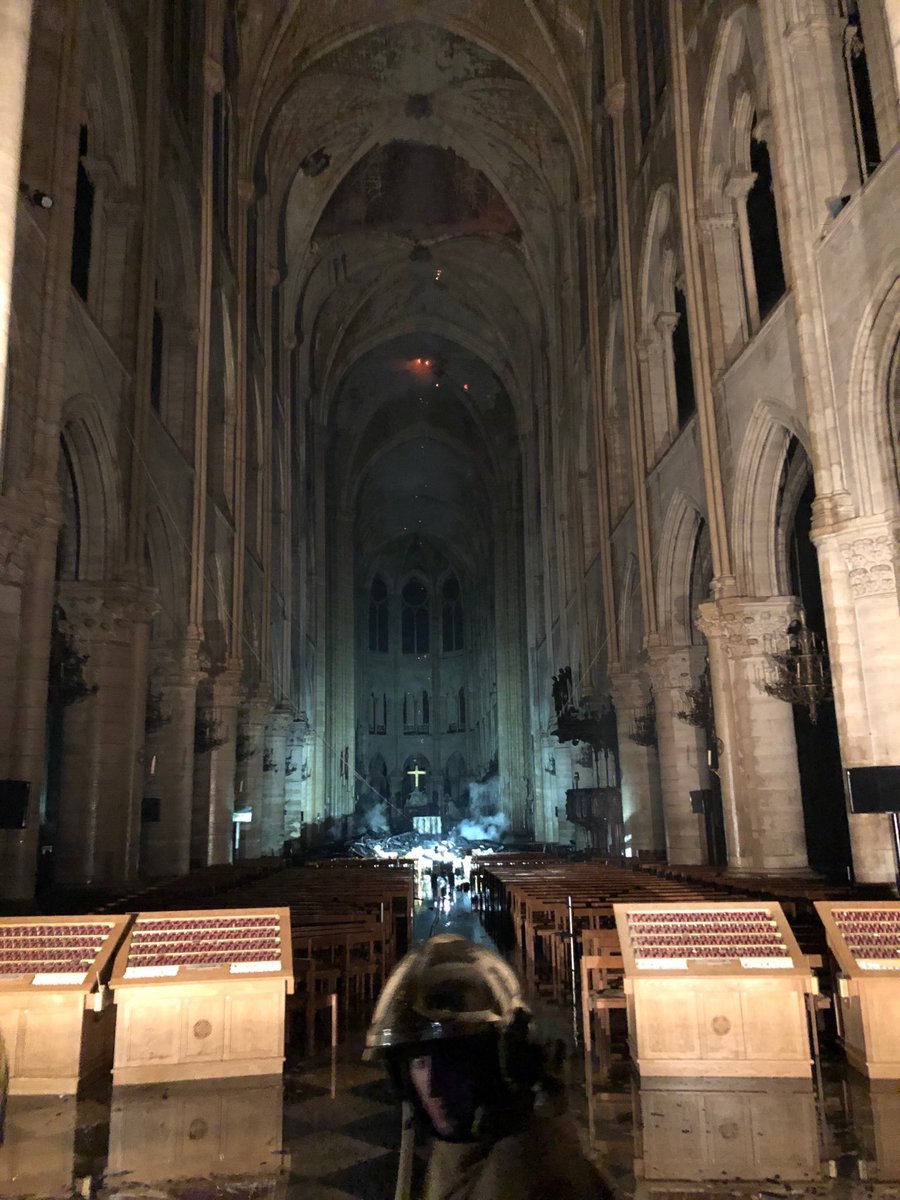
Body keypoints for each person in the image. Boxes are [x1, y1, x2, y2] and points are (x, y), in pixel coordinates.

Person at [364, 933, 611, 1200]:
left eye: (453, 1061)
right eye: (420, 1063)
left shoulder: (538, 1170)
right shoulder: (457, 1150)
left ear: (501, 1061)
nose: (434, 1086)